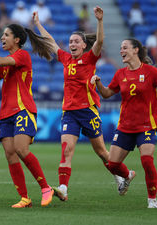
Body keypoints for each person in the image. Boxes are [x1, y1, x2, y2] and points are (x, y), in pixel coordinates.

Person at [33, 7, 123, 201]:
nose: (72, 44)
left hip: (88, 111)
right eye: (71, 41)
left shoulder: (90, 59)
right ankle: (64, 187)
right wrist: (38, 24)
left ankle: (121, 175)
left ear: (83, 45)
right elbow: (50, 42)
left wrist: (99, 21)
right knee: (66, 149)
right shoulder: (65, 58)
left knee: (100, 151)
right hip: (69, 112)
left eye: (76, 41)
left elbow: (99, 42)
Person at [0, 22, 59, 208]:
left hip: (22, 109)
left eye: (6, 35)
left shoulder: (22, 56)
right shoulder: (9, 59)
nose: (2, 37)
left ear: (16, 39)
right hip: (5, 114)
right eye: (2, 35)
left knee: (21, 149)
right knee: (10, 154)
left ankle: (45, 188)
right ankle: (24, 198)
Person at [91, 38, 157, 208]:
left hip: (146, 125)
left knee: (146, 160)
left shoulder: (151, 72)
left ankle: (152, 199)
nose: (121, 50)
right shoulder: (120, 74)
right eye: (120, 48)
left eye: (125, 47)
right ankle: (128, 175)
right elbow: (108, 93)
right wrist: (98, 83)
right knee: (113, 164)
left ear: (135, 50)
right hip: (125, 126)